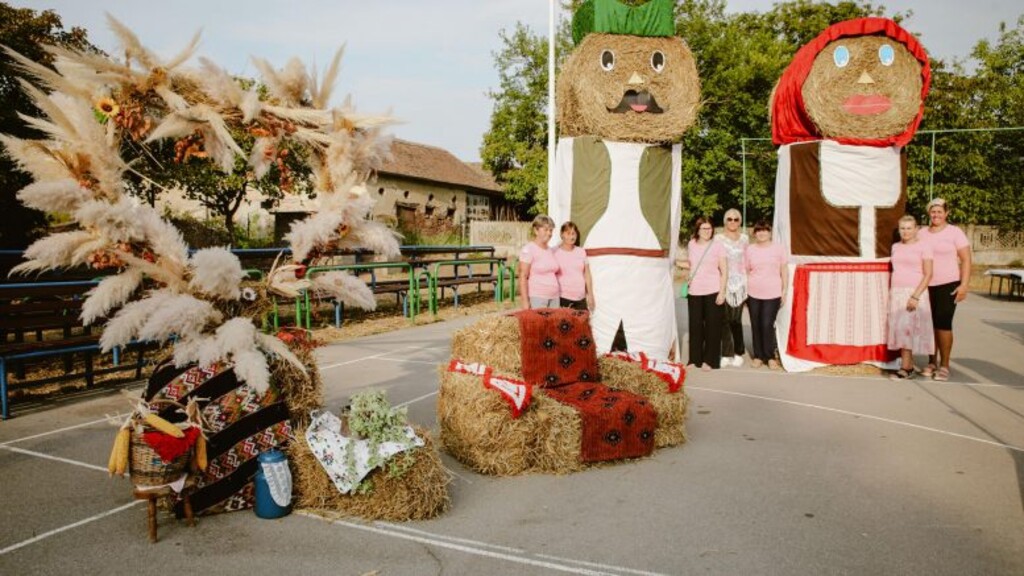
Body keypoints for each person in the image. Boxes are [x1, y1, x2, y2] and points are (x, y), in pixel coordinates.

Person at [920, 198, 971, 381]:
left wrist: (964, 285)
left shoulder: (955, 232)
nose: (936, 215)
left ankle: (944, 365)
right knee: (928, 324)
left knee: (943, 323)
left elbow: (966, 259)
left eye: (940, 212)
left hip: (948, 284)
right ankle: (931, 361)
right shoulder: (922, 233)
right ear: (929, 213)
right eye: (933, 212)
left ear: (946, 214)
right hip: (926, 285)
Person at [887, 215, 935, 379]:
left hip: (915, 292)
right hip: (897, 292)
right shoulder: (895, 247)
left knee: (908, 329)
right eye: (902, 228)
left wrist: (915, 296)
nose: (905, 232)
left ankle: (906, 368)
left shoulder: (924, 247)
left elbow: (928, 274)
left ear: (916, 229)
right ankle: (909, 364)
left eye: (909, 228)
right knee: (900, 330)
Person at [745, 221, 787, 369]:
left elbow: (783, 269)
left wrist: (784, 290)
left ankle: (770, 356)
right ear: (755, 233)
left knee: (767, 324)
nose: (762, 233)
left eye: (765, 230)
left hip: (773, 292)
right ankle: (758, 356)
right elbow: (746, 270)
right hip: (753, 292)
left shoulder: (779, 249)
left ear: (770, 232)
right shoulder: (750, 250)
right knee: (756, 324)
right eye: (758, 231)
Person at [686, 217, 727, 371]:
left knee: (713, 326)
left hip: (713, 289)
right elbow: (692, 264)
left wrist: (722, 292)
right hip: (695, 290)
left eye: (709, 228)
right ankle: (694, 359)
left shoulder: (718, 246)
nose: (707, 231)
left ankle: (710, 360)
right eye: (704, 228)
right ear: (697, 230)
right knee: (695, 326)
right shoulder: (691, 244)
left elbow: (724, 270)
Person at [716, 209, 748, 367]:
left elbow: (748, 260)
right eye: (729, 219)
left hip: (741, 284)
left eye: (736, 219)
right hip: (724, 283)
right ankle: (727, 353)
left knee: (736, 319)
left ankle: (739, 350)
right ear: (724, 221)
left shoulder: (745, 239)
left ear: (740, 221)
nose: (733, 222)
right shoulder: (718, 239)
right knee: (724, 319)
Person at [519, 215, 560, 309]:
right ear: (536, 230)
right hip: (538, 297)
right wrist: (525, 301)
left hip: (554, 297)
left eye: (551, 230)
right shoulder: (529, 249)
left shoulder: (550, 250)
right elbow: (523, 276)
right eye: (546, 230)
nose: (549, 233)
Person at [553, 221, 594, 311]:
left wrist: (590, 295)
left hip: (581, 298)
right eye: (568, 233)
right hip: (562, 297)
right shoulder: (554, 252)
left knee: (582, 324)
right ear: (562, 234)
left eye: (573, 233)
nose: (571, 237)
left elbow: (587, 274)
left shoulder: (581, 252)